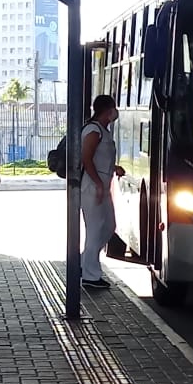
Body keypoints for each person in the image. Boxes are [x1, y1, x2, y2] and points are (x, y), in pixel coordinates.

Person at [80, 95, 125, 289]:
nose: (115, 112)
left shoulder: (103, 131)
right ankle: (90, 276)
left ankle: (83, 263)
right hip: (92, 188)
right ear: (108, 111)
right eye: (113, 108)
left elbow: (99, 159)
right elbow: (86, 159)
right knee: (95, 230)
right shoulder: (93, 130)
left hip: (102, 187)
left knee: (108, 227)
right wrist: (98, 183)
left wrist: (113, 168)